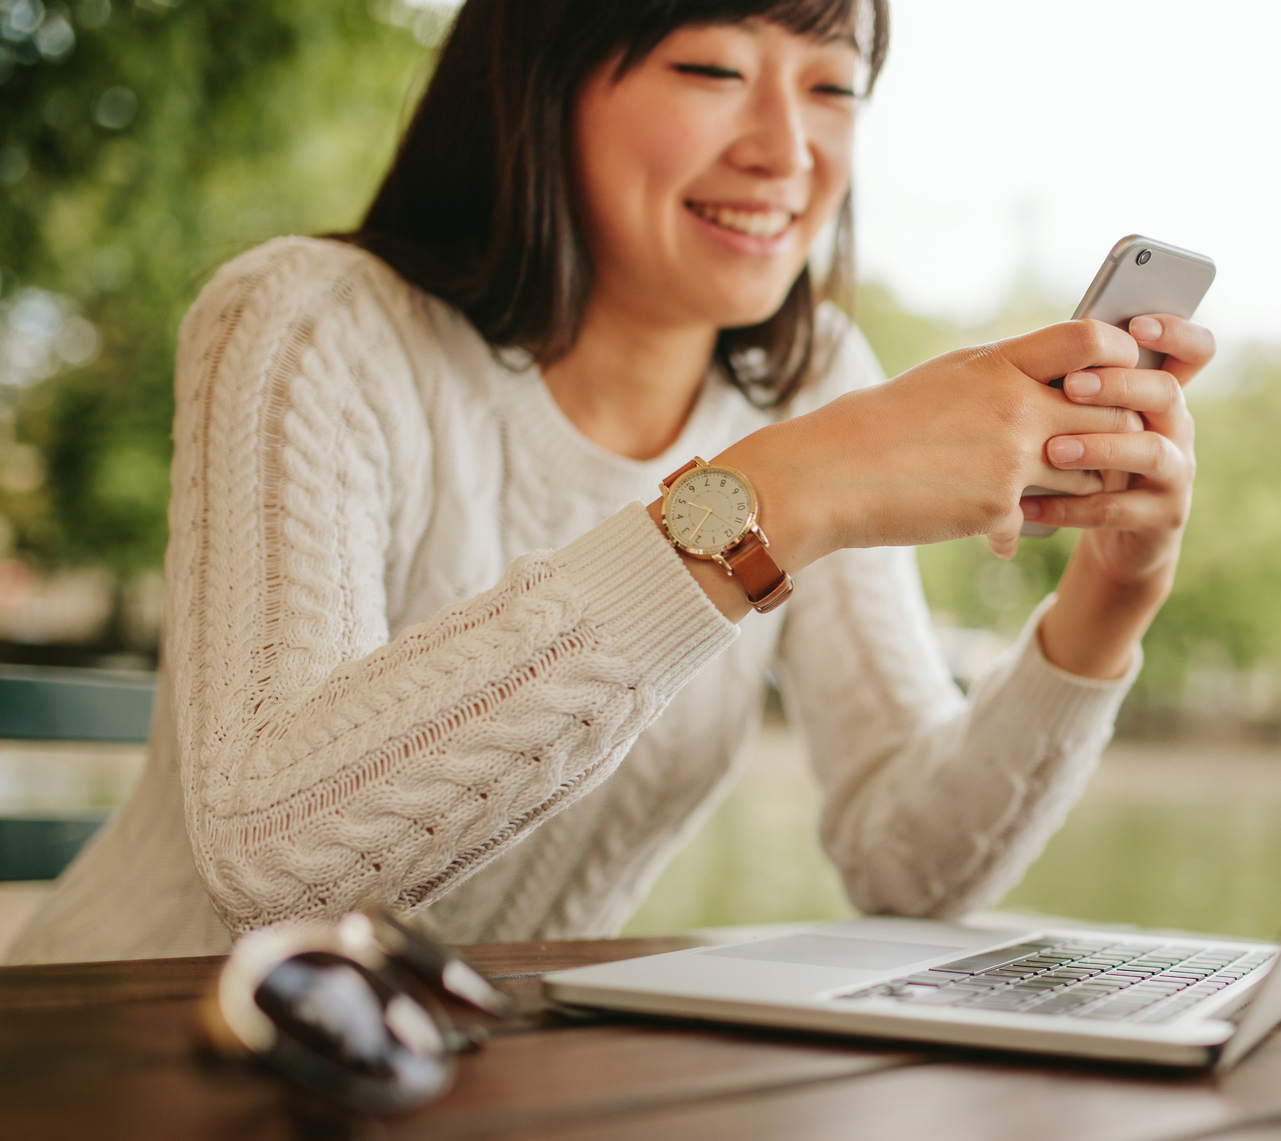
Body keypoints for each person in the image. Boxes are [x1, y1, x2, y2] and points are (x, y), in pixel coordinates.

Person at [5, 0, 1212, 965]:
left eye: (832, 87)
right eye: (709, 70)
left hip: (487, 1111)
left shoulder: (813, 382)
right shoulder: (309, 325)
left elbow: (909, 866)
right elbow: (272, 860)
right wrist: (779, 497)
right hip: (144, 1067)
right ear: (542, 81)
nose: (786, 151)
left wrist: (1110, 599)